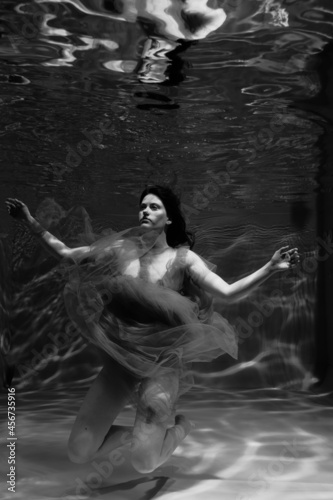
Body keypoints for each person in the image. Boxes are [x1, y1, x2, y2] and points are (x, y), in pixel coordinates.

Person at [5, 186, 299, 474]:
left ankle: (180, 428)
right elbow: (67, 255)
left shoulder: (183, 259)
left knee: (144, 464)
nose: (145, 210)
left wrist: (270, 267)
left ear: (169, 218)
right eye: (143, 206)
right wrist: (29, 220)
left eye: (154, 206)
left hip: (162, 365)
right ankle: (141, 437)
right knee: (79, 451)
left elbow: (229, 292)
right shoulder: (119, 251)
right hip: (122, 360)